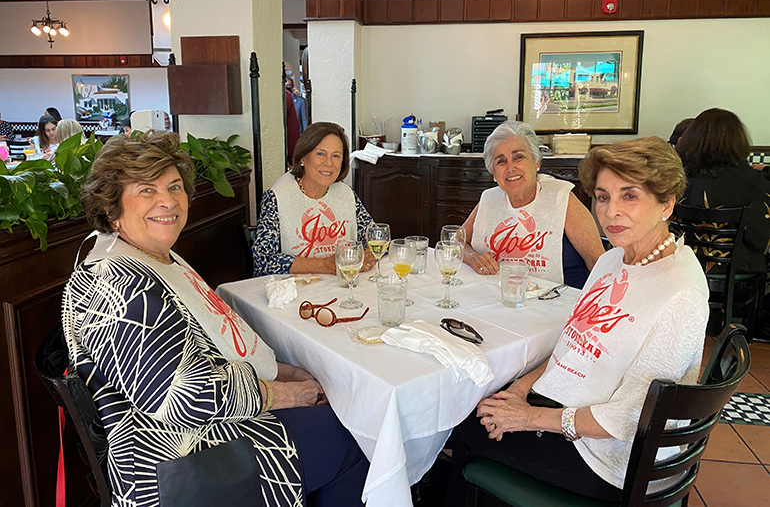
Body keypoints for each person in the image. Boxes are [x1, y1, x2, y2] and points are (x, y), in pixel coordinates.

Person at [62, 131, 368, 507]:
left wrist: (284, 372)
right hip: (185, 463)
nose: (167, 201)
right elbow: (183, 398)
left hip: (216, 424)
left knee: (340, 408)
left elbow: (213, 346)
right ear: (111, 209)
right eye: (146, 190)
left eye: (174, 187)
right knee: (355, 433)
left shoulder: (157, 255)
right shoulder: (116, 285)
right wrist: (286, 393)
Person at [444, 137, 709, 505]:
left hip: (612, 461)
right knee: (480, 410)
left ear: (666, 203)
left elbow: (628, 418)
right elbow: (572, 348)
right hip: (576, 412)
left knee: (465, 432)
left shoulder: (680, 292)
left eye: (629, 196)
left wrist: (528, 417)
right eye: (603, 196)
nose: (611, 211)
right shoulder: (612, 261)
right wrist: (521, 388)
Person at [461, 121, 604, 288]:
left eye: (518, 157)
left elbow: (599, 263)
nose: (510, 167)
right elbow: (455, 242)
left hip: (559, 301)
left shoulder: (561, 198)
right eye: (501, 161)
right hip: (500, 297)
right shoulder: (489, 199)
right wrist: (473, 258)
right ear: (493, 173)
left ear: (536, 162)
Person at [253, 122, 376, 276]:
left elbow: (376, 236)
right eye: (320, 153)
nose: (329, 163)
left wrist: (368, 255)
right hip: (295, 292)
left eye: (336, 156)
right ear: (303, 157)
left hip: (344, 286)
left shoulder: (346, 193)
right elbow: (263, 261)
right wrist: (325, 265)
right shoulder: (276, 197)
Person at [677, 108, 770, 276]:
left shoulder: (674, 180)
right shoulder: (757, 183)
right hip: (739, 279)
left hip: (681, 273)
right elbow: (760, 242)